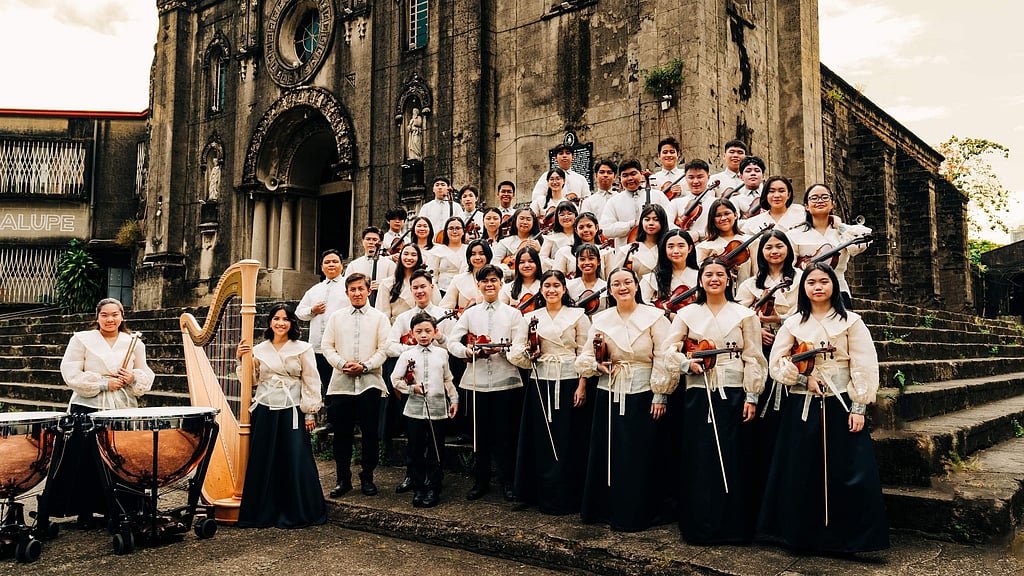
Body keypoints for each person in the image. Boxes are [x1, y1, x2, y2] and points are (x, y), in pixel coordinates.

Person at [758, 262, 889, 554]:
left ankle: (847, 539)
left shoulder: (851, 321)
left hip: (840, 403)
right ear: (803, 288)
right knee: (801, 468)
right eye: (811, 282)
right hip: (801, 404)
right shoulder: (793, 323)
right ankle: (802, 535)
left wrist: (859, 406)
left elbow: (864, 364)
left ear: (834, 285)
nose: (817, 287)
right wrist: (803, 376)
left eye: (823, 281)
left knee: (846, 469)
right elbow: (777, 363)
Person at [663, 257, 767, 545]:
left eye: (720, 274)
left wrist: (752, 395)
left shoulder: (745, 314)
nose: (714, 279)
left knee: (734, 455)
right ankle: (700, 525)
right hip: (699, 392)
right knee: (700, 456)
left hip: (734, 392)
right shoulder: (686, 313)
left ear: (729, 279)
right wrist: (686, 364)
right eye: (708, 274)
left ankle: (735, 526)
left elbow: (753, 357)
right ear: (700, 280)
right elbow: (668, 350)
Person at [575, 267, 674, 532]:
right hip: (610, 391)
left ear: (636, 286)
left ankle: (641, 510)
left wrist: (660, 393)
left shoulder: (655, 317)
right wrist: (597, 366)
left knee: (641, 454)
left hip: (644, 393)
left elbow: (663, 356)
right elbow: (585, 357)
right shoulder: (601, 319)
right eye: (616, 283)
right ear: (609, 290)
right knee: (611, 453)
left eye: (628, 282)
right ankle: (607, 508)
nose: (623, 287)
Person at [50, 298, 154, 526]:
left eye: (115, 314)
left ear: (122, 316)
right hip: (88, 405)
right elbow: (70, 373)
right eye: (104, 315)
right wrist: (103, 383)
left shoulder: (134, 342)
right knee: (86, 459)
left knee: (121, 458)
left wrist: (132, 378)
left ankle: (120, 509)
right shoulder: (81, 339)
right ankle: (84, 510)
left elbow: (145, 372)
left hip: (122, 406)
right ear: (97, 317)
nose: (110, 319)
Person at [235, 304, 326, 528]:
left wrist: (309, 413)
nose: (280, 323)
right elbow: (252, 380)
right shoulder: (259, 349)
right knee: (264, 457)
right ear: (270, 322)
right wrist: (241, 359)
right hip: (265, 408)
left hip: (292, 408)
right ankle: (263, 511)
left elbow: (311, 380)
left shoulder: (303, 348)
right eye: (276, 318)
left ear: (292, 323)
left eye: (285, 319)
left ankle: (297, 511)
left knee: (295, 457)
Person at [509, 270, 591, 514]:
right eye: (547, 286)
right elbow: (517, 350)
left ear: (564, 289)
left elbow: (584, 352)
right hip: (541, 382)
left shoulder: (578, 315)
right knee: (542, 438)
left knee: (569, 438)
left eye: (556, 285)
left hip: (569, 381)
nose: (551, 290)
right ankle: (540, 494)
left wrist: (582, 385)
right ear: (541, 290)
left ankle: (570, 496)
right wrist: (528, 352)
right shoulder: (530, 317)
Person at [447, 265, 527, 501]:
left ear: (501, 283)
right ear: (478, 285)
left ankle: (507, 481)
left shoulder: (513, 314)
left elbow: (519, 344)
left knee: (505, 434)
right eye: (484, 281)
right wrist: (469, 351)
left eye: (494, 280)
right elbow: (452, 342)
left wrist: (501, 350)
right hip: (477, 381)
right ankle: (480, 481)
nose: (489, 284)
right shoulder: (470, 314)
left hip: (506, 380)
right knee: (479, 435)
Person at [734, 230, 802, 503]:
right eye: (768, 247)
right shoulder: (750, 284)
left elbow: (807, 312)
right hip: (760, 349)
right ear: (760, 252)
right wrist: (757, 329)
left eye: (779, 246)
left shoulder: (801, 278)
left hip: (793, 350)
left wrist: (780, 321)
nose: (774, 251)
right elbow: (739, 316)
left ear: (788, 249)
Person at [385, 268, 457, 493]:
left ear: (432, 287)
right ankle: (413, 477)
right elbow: (389, 346)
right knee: (413, 439)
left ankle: (433, 481)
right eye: (414, 287)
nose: (419, 291)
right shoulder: (404, 318)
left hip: (437, 380)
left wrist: (438, 339)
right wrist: (413, 350)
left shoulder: (444, 314)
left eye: (423, 286)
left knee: (435, 442)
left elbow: (453, 346)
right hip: (412, 385)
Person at [321, 273, 392, 498]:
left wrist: (366, 366)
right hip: (341, 384)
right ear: (347, 293)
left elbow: (384, 348)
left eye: (361, 289)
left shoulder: (380, 318)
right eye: (352, 289)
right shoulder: (336, 317)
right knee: (342, 435)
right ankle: (343, 479)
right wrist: (342, 364)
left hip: (370, 383)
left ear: (369, 291)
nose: (357, 293)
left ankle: (367, 477)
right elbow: (327, 346)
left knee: (370, 434)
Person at [391, 312, 460, 508]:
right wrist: (412, 388)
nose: (423, 335)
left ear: (435, 331)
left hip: (437, 409)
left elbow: (448, 380)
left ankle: (434, 488)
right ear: (412, 333)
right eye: (419, 331)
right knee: (415, 450)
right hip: (414, 410)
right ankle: (419, 487)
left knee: (436, 450)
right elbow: (395, 380)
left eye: (428, 331)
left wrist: (454, 399)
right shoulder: (407, 355)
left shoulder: (442, 354)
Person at [787, 183, 872, 308]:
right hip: (807, 290)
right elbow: (788, 267)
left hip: (839, 289)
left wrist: (841, 226)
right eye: (814, 198)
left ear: (833, 204)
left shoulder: (842, 231)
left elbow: (863, 242)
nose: (820, 201)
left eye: (825, 197)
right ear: (806, 206)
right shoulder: (794, 234)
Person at [296, 249, 351, 425]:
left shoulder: (347, 287)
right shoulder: (315, 290)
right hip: (318, 345)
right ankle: (330, 421)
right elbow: (299, 312)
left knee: (340, 384)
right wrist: (312, 310)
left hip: (340, 346)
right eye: (327, 262)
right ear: (321, 267)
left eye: (335, 261)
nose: (331, 265)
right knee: (325, 383)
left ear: (342, 266)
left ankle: (345, 421)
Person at [599, 159, 671, 249]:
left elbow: (669, 222)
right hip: (625, 253)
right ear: (620, 179)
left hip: (656, 250)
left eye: (633, 174)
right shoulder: (613, 201)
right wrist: (632, 224)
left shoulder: (658, 195)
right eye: (625, 175)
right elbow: (606, 230)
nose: (630, 178)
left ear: (641, 174)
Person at [641, 229, 699, 318]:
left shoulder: (700, 276)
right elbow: (642, 305)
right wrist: (667, 315)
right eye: (670, 247)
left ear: (690, 248)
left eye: (681, 246)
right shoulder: (652, 278)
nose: (676, 251)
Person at [697, 198, 756, 286]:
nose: (723, 218)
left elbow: (756, 273)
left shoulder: (752, 242)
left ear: (735, 215)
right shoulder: (704, 247)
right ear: (712, 219)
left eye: (727, 213)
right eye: (718, 215)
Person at [377, 244, 439, 324]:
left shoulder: (429, 282)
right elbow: (383, 315)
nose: (409, 258)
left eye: (413, 255)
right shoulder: (387, 284)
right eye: (406, 254)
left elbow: (436, 308)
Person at [667, 159, 718, 242]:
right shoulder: (676, 203)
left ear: (708, 177)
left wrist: (698, 234)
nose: (695, 181)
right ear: (685, 178)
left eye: (700, 177)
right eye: (691, 177)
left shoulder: (716, 203)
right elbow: (667, 224)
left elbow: (720, 227)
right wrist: (685, 235)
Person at [552, 212, 614, 279]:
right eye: (581, 227)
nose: (585, 230)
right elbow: (556, 279)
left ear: (596, 228)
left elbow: (611, 278)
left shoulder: (606, 252)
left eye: (589, 226)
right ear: (576, 230)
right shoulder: (564, 252)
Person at [347, 228, 397, 307]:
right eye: (368, 239)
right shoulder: (353, 265)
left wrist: (382, 287)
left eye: (374, 240)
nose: (371, 242)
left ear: (381, 243)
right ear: (362, 241)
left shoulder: (390, 265)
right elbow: (347, 288)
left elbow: (395, 287)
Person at [740, 176, 806, 235]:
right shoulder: (754, 222)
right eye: (771, 191)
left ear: (788, 194)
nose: (776, 195)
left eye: (781, 191)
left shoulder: (802, 214)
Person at [614, 203, 666, 279]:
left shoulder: (667, 249)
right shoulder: (628, 250)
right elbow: (615, 277)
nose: (651, 223)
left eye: (656, 220)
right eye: (647, 219)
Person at [493, 207, 542, 275]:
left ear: (533, 222)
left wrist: (540, 251)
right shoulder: (504, 242)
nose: (525, 222)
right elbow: (495, 264)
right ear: (515, 220)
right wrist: (510, 272)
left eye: (528, 219)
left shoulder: (541, 241)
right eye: (521, 218)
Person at [565, 243, 609, 317]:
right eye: (582, 259)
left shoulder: (606, 286)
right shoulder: (569, 286)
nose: (587, 262)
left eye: (591, 258)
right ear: (577, 263)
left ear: (598, 261)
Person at [430, 216, 469, 293]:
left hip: (464, 291)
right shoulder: (438, 251)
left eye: (458, 228)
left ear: (463, 231)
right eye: (451, 228)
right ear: (446, 231)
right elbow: (434, 276)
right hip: (442, 291)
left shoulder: (469, 249)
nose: (454, 231)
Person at [500, 246, 543, 313]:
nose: (526, 265)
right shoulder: (507, 288)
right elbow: (501, 311)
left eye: (531, 261)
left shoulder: (545, 286)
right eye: (522, 262)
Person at [539, 200, 577, 270]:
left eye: (569, 214)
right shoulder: (551, 238)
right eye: (562, 215)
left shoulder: (581, 235)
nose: (566, 217)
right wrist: (559, 264)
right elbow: (542, 258)